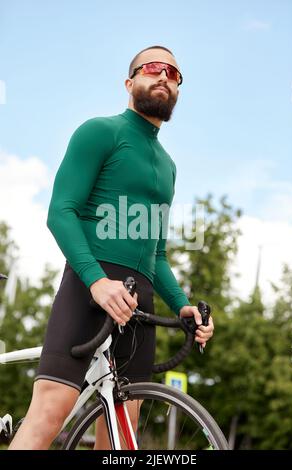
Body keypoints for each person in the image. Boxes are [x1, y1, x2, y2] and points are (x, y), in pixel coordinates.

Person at [9, 45, 214, 450]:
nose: (164, 77)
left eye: (174, 74)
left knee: (123, 435)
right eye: (153, 68)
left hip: (139, 306)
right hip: (90, 288)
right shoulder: (100, 132)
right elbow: (61, 212)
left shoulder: (168, 165)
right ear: (130, 81)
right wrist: (97, 282)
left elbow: (155, 255)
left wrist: (182, 305)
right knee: (49, 414)